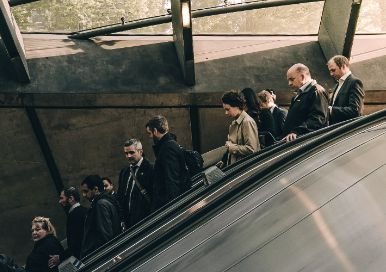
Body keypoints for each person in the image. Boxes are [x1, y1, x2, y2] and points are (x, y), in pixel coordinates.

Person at [145, 115, 187, 211]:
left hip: (170, 205)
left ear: (155, 131)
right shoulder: (170, 144)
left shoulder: (167, 149)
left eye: (149, 133)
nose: (150, 137)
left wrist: (173, 209)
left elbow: (171, 180)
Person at [282, 63, 329, 142]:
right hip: (295, 140)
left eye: (291, 79)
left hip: (306, 142)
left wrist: (297, 132)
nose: (289, 83)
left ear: (302, 77)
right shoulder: (298, 95)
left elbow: (318, 118)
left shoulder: (316, 92)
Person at [117, 138, 154, 230]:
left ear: (140, 152)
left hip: (146, 220)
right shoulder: (124, 172)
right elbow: (121, 196)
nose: (128, 156)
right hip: (129, 223)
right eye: (126, 153)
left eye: (132, 152)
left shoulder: (151, 169)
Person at [80, 175, 121, 258]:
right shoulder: (104, 201)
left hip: (100, 254)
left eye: (86, 191)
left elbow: (106, 234)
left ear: (95, 189)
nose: (84, 195)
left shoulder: (100, 204)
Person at [48, 187, 87, 268]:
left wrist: (60, 257)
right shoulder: (84, 210)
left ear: (71, 198)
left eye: (62, 198)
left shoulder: (74, 216)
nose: (60, 201)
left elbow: (76, 243)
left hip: (83, 258)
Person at [222, 90, 260, 165]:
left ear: (237, 106)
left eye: (228, 109)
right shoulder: (234, 123)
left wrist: (231, 148)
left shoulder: (247, 122)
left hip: (245, 168)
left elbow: (252, 149)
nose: (226, 113)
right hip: (236, 166)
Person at [327, 55, 365, 124]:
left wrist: (330, 110)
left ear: (343, 66)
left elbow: (355, 111)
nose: (331, 74)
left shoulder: (355, 82)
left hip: (347, 129)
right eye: (330, 71)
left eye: (333, 70)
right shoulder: (338, 84)